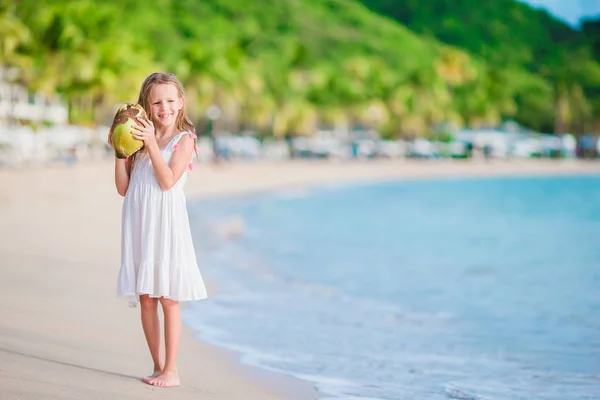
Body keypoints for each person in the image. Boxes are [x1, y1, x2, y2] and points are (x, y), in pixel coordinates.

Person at [111, 72, 208, 388]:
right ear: (147, 106)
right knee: (146, 297)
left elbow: (167, 181)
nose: (164, 107)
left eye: (170, 100)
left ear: (180, 102)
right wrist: (119, 150)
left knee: (168, 296)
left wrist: (152, 142)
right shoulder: (139, 141)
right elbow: (123, 188)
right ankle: (157, 365)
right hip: (140, 222)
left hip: (166, 225)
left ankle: (172, 369)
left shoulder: (184, 140)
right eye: (157, 102)